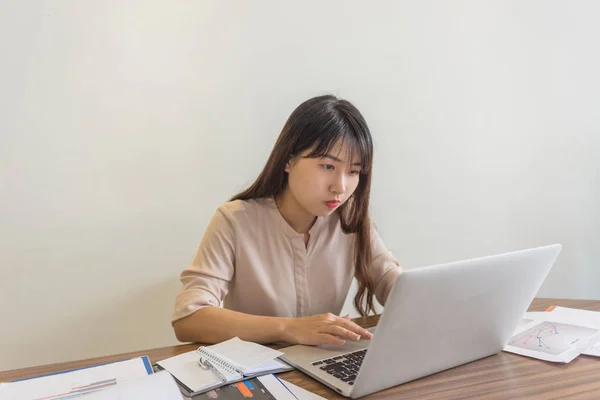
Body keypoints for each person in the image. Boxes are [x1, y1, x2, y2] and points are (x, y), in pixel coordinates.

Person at [172, 94, 401, 346]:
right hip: (257, 374)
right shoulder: (234, 220)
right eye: (327, 166)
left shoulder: (352, 221)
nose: (340, 186)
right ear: (289, 160)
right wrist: (288, 328)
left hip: (321, 367)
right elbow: (189, 319)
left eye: (354, 171)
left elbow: (392, 280)